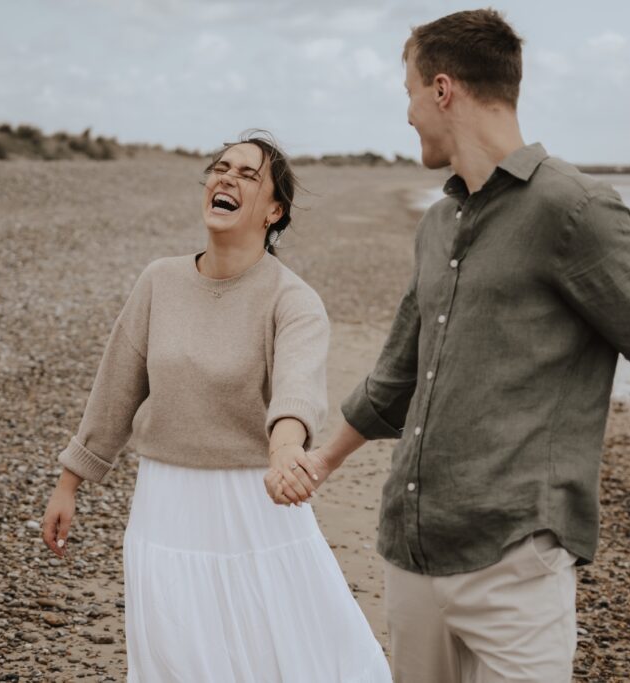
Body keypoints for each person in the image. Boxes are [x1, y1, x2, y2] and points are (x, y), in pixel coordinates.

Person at [265, 9, 630, 683]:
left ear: (443, 90)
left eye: (409, 91)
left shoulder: (574, 209)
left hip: (516, 560)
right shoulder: (440, 224)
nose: (408, 113)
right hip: (413, 549)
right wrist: (319, 462)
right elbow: (396, 375)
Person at [41, 131, 391, 682]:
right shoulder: (159, 281)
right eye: (220, 168)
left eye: (248, 175)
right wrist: (70, 482)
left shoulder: (292, 299)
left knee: (281, 652)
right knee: (176, 655)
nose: (226, 178)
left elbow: (297, 391)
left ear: (274, 211)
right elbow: (116, 389)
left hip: (256, 505)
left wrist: (286, 449)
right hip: (165, 503)